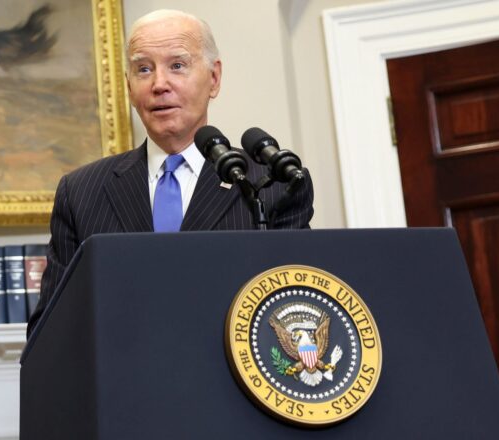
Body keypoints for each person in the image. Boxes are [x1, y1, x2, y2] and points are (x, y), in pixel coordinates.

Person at [26, 10, 314, 336]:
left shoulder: (270, 184)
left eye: (177, 66)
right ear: (128, 86)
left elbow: (298, 314)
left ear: (214, 78)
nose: (159, 84)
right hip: (124, 381)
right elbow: (51, 328)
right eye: (143, 69)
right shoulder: (81, 192)